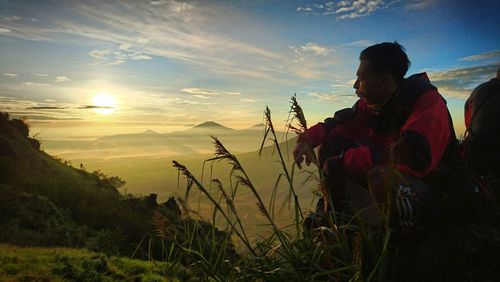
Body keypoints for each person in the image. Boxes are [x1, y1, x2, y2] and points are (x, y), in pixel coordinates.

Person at [295, 42, 457, 231]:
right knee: (330, 146)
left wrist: (345, 161)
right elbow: (339, 124)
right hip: (402, 172)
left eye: (362, 77)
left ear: (384, 81)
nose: (355, 85)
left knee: (383, 178)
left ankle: (405, 243)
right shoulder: (375, 105)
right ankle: (337, 221)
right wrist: (307, 139)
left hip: (437, 186)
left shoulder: (426, 103)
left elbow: (413, 157)